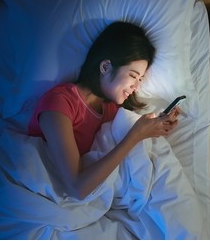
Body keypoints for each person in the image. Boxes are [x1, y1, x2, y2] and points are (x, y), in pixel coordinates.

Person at [28, 21, 181, 200]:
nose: (136, 87)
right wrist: (135, 135)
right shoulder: (59, 103)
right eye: (133, 76)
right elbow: (76, 188)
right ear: (105, 67)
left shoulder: (111, 111)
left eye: (140, 79)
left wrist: (156, 126)